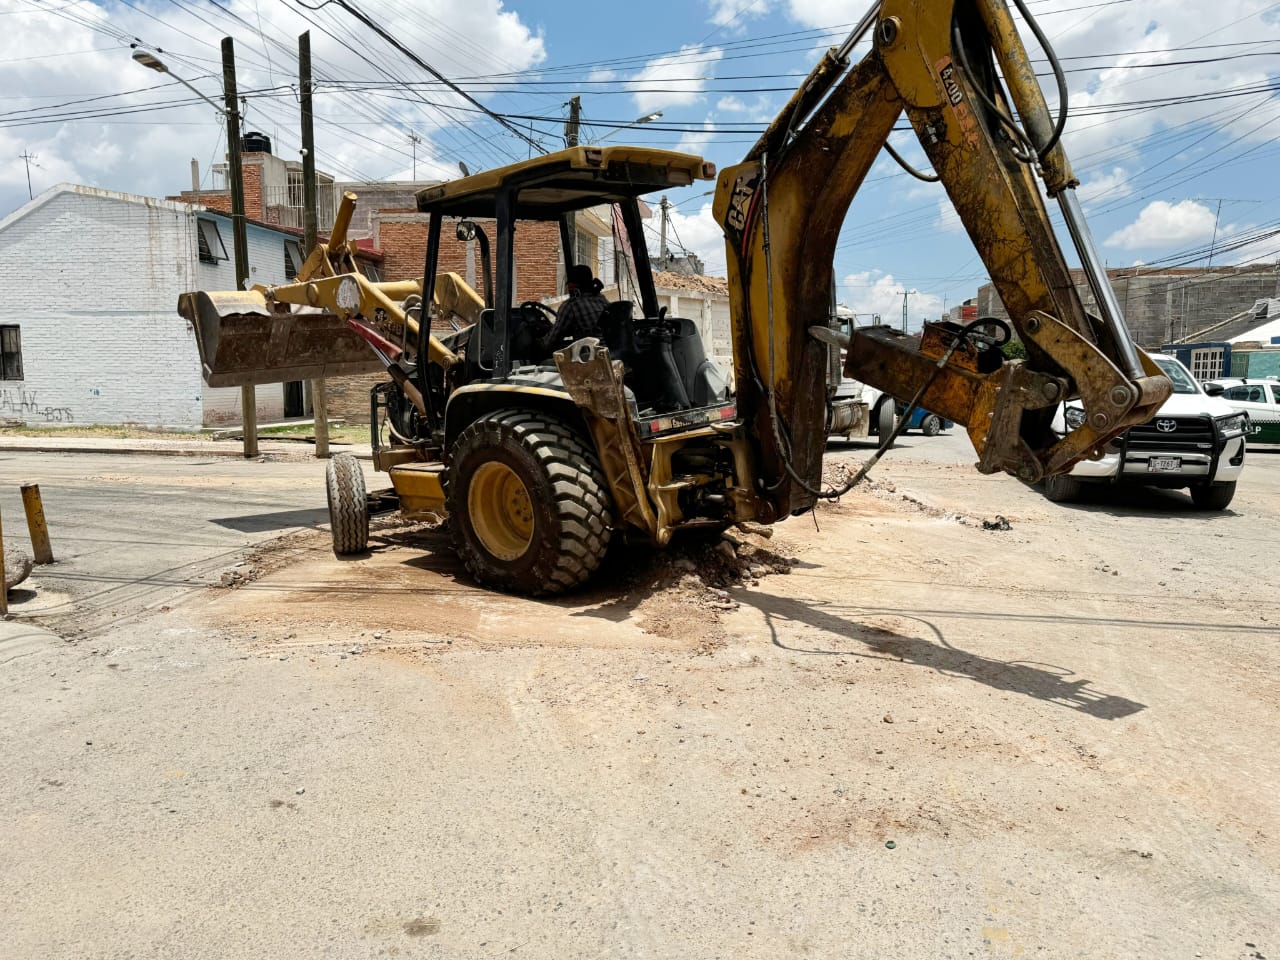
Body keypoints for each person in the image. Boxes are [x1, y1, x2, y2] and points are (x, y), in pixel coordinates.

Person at [543, 264, 609, 349]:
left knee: (547, 362)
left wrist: (537, 343)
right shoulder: (602, 299)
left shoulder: (571, 305)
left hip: (591, 357)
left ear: (573, 286)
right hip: (610, 350)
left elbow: (550, 341)